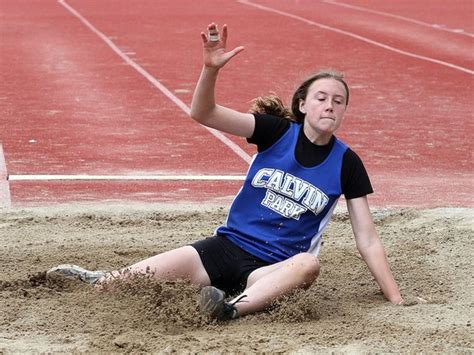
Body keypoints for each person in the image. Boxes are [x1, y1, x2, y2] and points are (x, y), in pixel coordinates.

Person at [47, 23, 404, 321]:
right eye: (321, 98)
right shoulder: (275, 132)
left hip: (273, 269)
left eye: (338, 101)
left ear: (344, 112)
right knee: (118, 284)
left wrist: (396, 298)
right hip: (224, 248)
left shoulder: (347, 163)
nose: (329, 105)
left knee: (308, 265)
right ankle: (97, 280)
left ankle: (228, 309)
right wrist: (210, 68)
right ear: (302, 104)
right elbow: (204, 114)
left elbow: (367, 239)